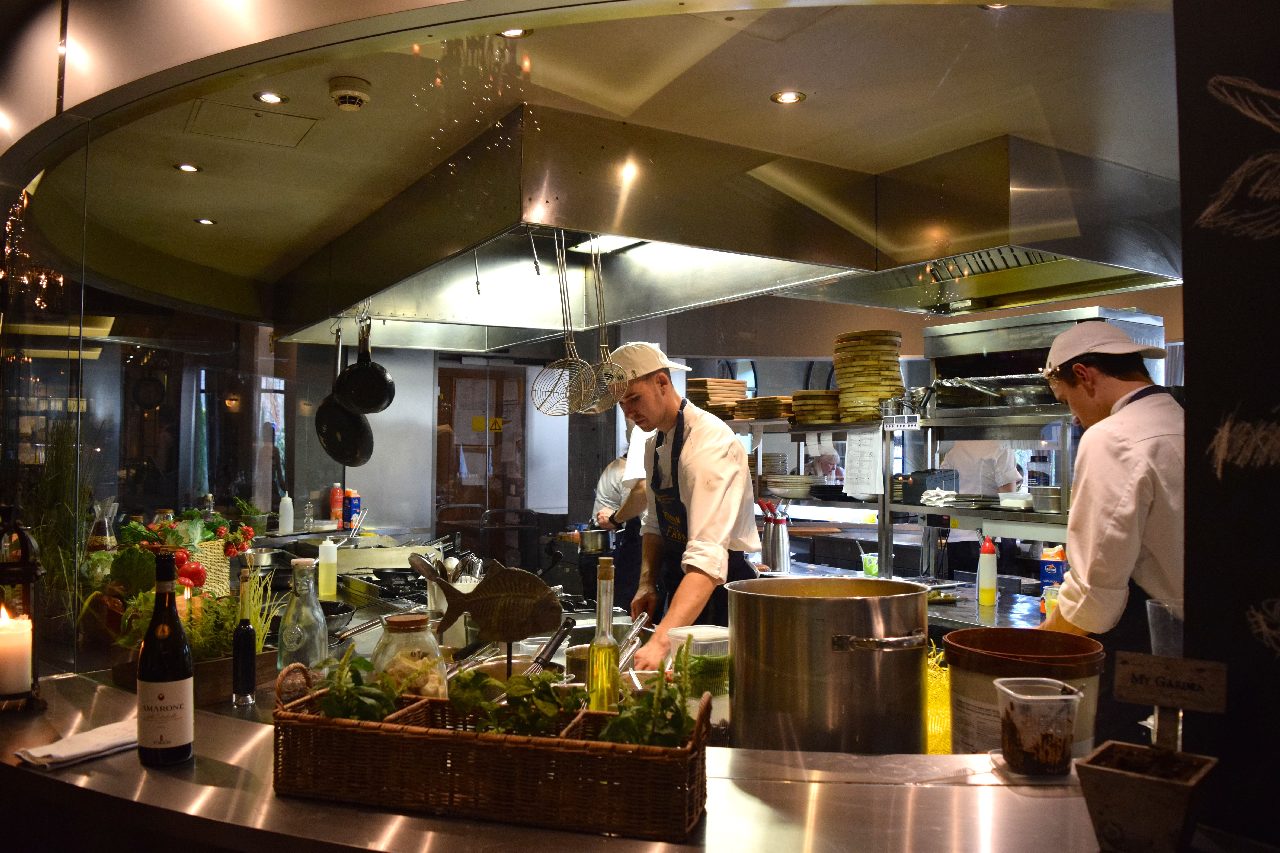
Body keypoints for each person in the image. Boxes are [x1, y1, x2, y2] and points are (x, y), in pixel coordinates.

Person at [1037, 320, 1182, 745]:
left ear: (1084, 375)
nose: (1074, 416)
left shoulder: (1112, 438)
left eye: (1067, 401)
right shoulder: (1184, 420)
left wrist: (1037, 652)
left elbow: (1095, 591)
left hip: (1151, 651)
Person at [610, 342, 760, 671]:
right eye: (622, 404)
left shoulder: (708, 445)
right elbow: (654, 524)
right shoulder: (655, 443)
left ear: (662, 383)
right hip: (683, 588)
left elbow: (708, 559)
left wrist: (661, 641)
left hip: (720, 597)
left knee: (712, 694)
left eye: (634, 398)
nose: (629, 413)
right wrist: (647, 581)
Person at [584, 422, 650, 609]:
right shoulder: (625, 472)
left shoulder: (624, 467)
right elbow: (640, 506)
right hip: (615, 554)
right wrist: (614, 519)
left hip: (626, 550)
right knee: (623, 609)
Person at [940, 439, 1021, 572]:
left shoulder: (955, 447)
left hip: (958, 537)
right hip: (991, 539)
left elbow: (942, 487)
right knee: (992, 590)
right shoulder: (1001, 446)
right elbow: (1009, 499)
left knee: (961, 589)